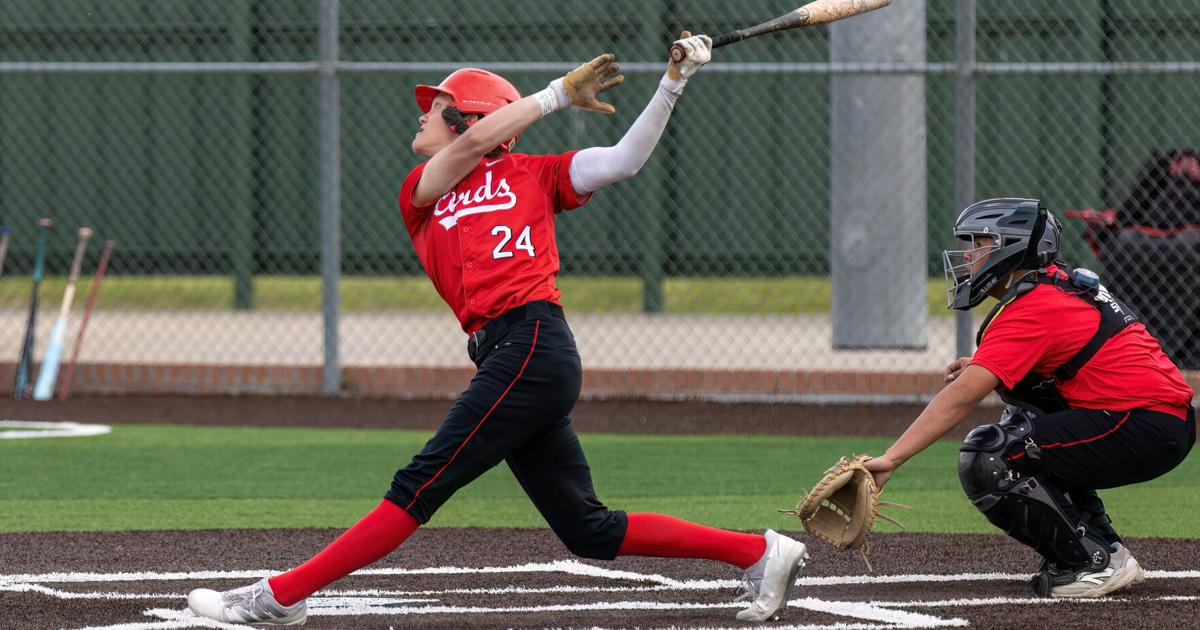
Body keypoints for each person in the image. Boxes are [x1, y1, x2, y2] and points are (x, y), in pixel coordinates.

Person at [186, 34, 809, 625]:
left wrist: (673, 81)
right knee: (587, 529)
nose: (423, 115)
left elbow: (623, 159)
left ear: (469, 118)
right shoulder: (423, 191)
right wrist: (556, 94)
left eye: (438, 107)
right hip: (508, 356)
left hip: (533, 344)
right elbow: (472, 147)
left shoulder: (534, 173)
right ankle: (760, 553)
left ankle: (281, 597)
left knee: (418, 485)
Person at [863, 197, 1195, 598]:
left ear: (1013, 248)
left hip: (1143, 424)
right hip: (1156, 421)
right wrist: (985, 364)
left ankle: (1089, 563)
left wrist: (891, 459)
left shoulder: (1033, 305)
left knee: (990, 454)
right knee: (1022, 416)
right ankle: (1105, 548)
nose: (968, 255)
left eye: (979, 243)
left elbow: (962, 396)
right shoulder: (1054, 282)